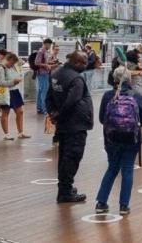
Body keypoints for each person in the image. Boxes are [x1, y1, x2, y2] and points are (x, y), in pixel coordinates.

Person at [95, 66, 142, 216]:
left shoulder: (107, 96)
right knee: (127, 170)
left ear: (114, 79)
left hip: (111, 139)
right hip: (131, 139)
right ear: (129, 79)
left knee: (112, 168)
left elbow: (101, 119)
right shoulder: (136, 96)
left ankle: (101, 202)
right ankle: (123, 206)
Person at [47, 51, 94, 203]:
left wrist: (53, 113)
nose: (86, 66)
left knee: (64, 156)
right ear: (75, 62)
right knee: (72, 156)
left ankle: (65, 188)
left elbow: (48, 97)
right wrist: (59, 115)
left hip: (64, 124)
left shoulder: (56, 73)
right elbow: (71, 101)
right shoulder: (76, 79)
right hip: (75, 124)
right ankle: (65, 192)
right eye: (83, 63)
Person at [0, 53, 30, 141]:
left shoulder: (14, 67)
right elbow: (0, 83)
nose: (12, 64)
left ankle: (20, 132)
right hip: (6, 93)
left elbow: (21, 63)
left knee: (20, 112)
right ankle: (6, 134)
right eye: (11, 62)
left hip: (15, 91)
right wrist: (13, 82)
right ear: (7, 59)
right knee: (5, 113)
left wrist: (17, 79)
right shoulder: (1, 68)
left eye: (14, 62)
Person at [35, 38, 54, 115]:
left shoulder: (44, 52)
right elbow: (37, 62)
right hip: (42, 73)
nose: (50, 46)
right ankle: (44, 109)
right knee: (44, 91)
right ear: (46, 44)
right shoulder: (41, 51)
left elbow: (42, 62)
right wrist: (46, 65)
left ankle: (39, 108)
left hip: (44, 73)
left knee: (41, 91)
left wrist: (50, 62)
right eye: (49, 45)